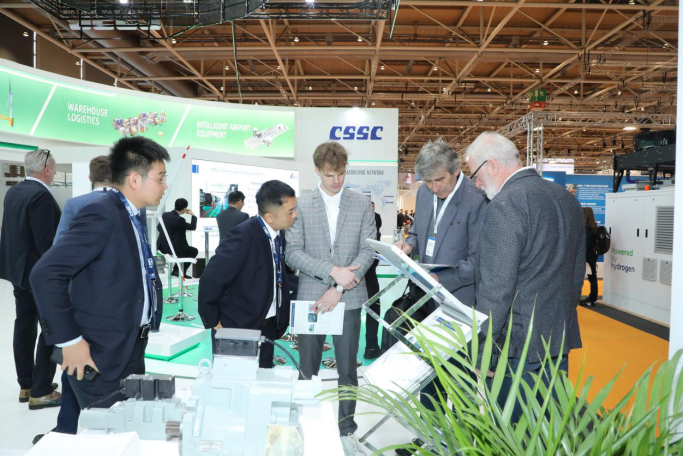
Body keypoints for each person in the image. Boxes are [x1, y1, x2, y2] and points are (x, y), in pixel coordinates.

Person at [30, 136, 167, 410]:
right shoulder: (103, 213)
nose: (165, 186)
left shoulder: (130, 214)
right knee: (108, 428)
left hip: (128, 345)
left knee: (127, 425)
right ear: (134, 180)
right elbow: (45, 273)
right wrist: (70, 341)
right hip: (101, 354)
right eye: (160, 178)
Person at [465, 132, 584, 423]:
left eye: (475, 175)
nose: (477, 184)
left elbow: (497, 289)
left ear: (492, 165)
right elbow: (576, 274)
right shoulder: (566, 199)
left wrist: (482, 351)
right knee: (550, 427)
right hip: (556, 338)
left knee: (515, 433)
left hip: (517, 346)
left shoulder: (505, 204)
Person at [285, 141, 376, 456]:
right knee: (306, 368)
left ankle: (347, 430)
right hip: (311, 297)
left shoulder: (361, 204)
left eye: (340, 173)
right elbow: (292, 252)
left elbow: (368, 250)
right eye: (329, 175)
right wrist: (332, 272)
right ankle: (302, 428)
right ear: (317, 171)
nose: (336, 180)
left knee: (348, 369)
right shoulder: (301, 205)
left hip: (348, 297)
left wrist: (339, 286)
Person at [393, 139, 486, 432]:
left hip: (460, 303)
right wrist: (408, 245)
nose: (434, 187)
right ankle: (429, 438)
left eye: (440, 180)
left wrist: (441, 279)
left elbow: (480, 261)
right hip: (426, 300)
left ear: (456, 170)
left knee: (460, 379)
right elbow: (419, 231)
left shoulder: (477, 199)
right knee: (428, 373)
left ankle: (462, 442)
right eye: (428, 181)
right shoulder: (424, 192)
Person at [35, 155, 114, 442]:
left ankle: (67, 427)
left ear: (91, 177)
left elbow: (59, 250)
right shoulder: (126, 206)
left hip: (80, 298)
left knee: (75, 363)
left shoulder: (75, 204)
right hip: (114, 302)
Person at [198, 180, 297, 368]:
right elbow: (211, 279)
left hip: (267, 325)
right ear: (269, 216)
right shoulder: (243, 235)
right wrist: (214, 322)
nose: (295, 215)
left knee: (263, 378)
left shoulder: (278, 234)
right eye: (290, 212)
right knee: (235, 381)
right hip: (238, 327)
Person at [0, 148, 61, 410]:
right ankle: (41, 390)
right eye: (54, 168)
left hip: (18, 273)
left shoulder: (14, 191)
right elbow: (46, 243)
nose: (55, 172)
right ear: (46, 169)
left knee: (24, 327)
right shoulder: (41, 196)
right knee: (50, 329)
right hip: (39, 276)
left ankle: (26, 384)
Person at [157, 198, 198, 278]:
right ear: (185, 209)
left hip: (162, 246)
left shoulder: (165, 215)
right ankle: (179, 271)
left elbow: (159, 228)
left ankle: (176, 270)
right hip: (174, 248)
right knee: (193, 251)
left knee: (185, 249)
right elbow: (192, 227)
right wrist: (193, 215)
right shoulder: (180, 219)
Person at [363, 202, 383, 360]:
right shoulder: (374, 219)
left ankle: (344, 350)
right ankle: (371, 346)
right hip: (368, 274)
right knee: (373, 309)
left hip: (349, 274)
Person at [581, 207, 599, 307]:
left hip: (588, 257)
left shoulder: (587, 229)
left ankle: (592, 299)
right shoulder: (594, 227)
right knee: (592, 278)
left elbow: (585, 244)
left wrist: (582, 257)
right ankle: (592, 298)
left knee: (592, 279)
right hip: (592, 256)